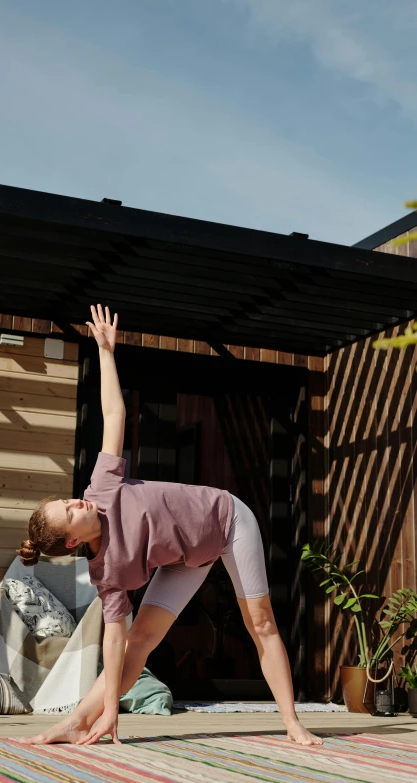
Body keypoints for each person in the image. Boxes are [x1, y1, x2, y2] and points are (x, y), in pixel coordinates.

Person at [18, 304, 322, 748]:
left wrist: (105, 351)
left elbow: (114, 416)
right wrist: (110, 712)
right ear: (72, 539)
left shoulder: (102, 487)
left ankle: (293, 723)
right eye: (70, 510)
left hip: (228, 520)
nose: (76, 500)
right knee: (140, 639)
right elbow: (115, 644)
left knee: (261, 622)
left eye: (67, 499)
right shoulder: (108, 574)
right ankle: (78, 722)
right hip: (185, 560)